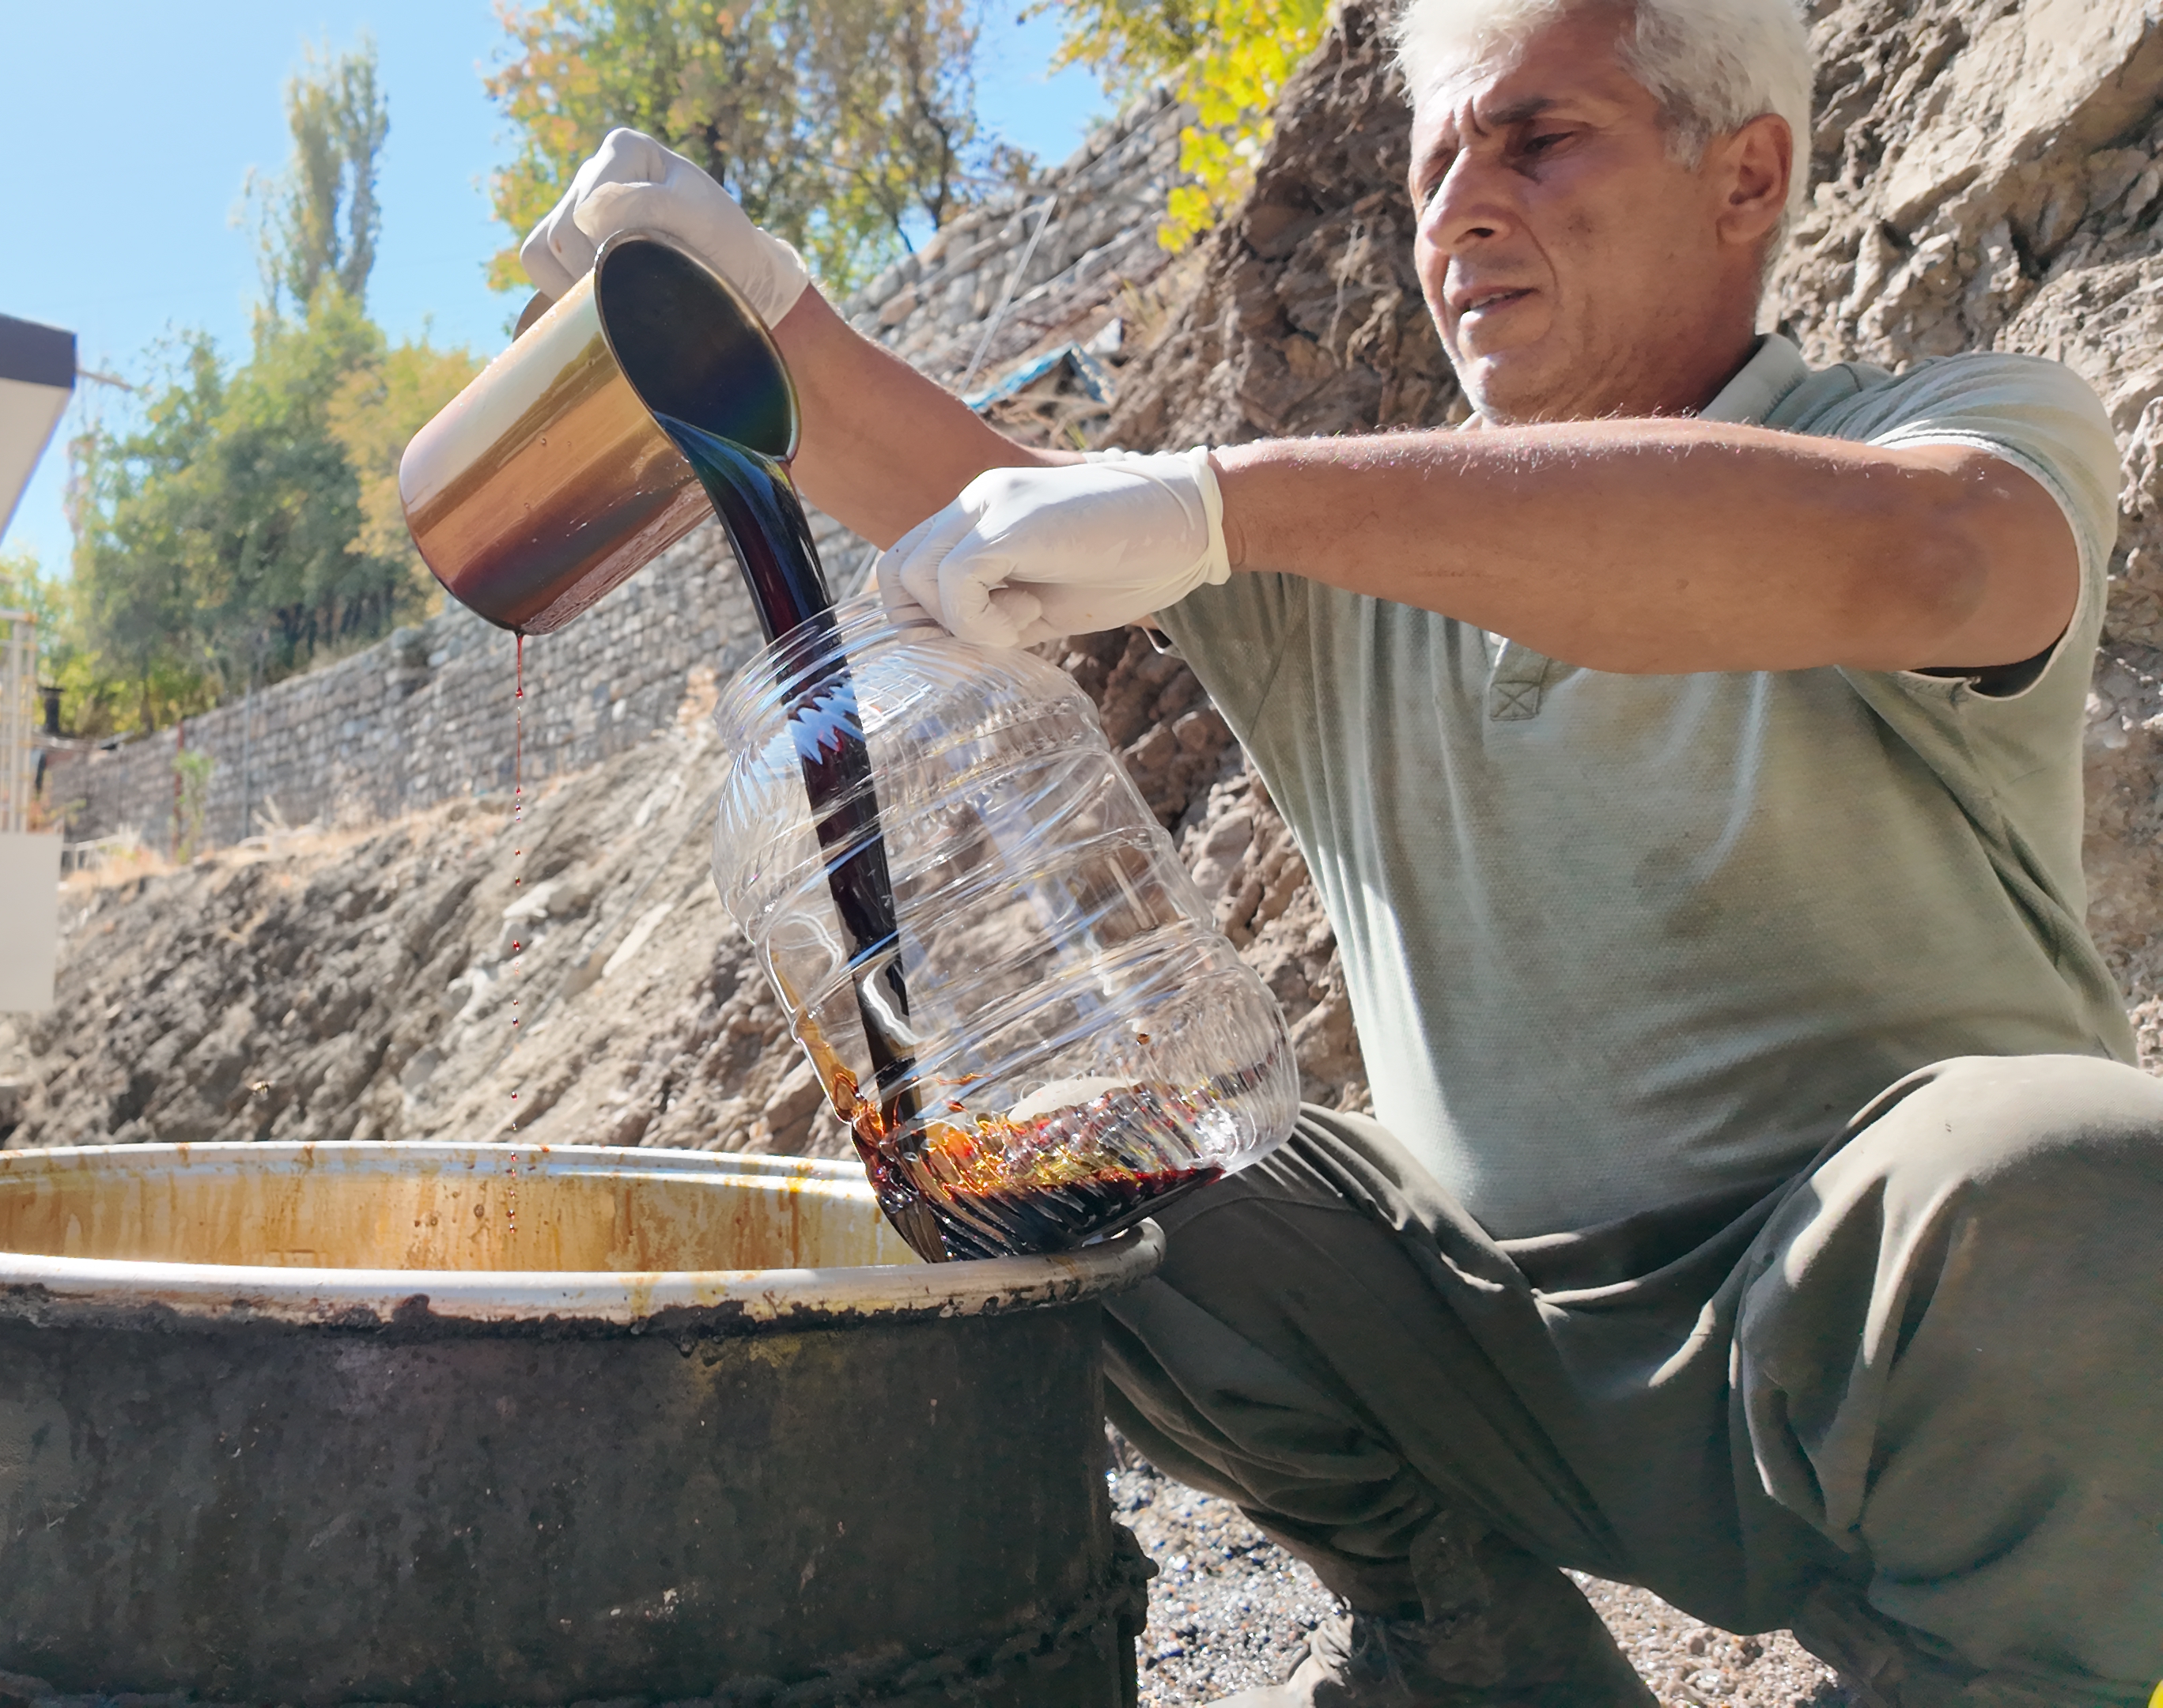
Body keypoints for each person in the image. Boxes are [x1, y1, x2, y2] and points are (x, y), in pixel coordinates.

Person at [516, 0, 2163, 1702]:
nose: (1457, 212)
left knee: (2079, 1173)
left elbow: (1942, 561)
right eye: (1438, 156)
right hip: (1496, 1368)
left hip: (1886, 1358)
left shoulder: (1949, 432)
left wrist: (1232, 498)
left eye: (1542, 141)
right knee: (1047, 1159)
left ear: (1745, 173)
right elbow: (980, 503)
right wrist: (751, 301)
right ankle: (1468, 1644)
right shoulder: (1355, 575)